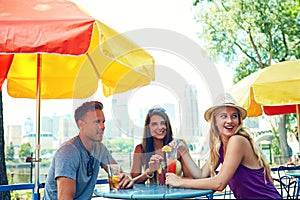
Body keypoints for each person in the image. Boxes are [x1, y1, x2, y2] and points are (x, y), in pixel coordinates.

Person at [165, 93, 281, 199]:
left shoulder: (238, 140)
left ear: (239, 121)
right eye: (223, 116)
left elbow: (219, 184)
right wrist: (184, 152)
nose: (229, 121)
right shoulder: (219, 146)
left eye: (234, 116)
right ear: (215, 121)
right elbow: (201, 175)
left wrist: (180, 181)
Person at [44, 101, 134, 200]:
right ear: (81, 125)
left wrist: (126, 178)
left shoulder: (100, 149)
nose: (102, 127)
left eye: (103, 122)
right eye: (97, 122)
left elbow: (118, 173)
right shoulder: (68, 152)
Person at [130, 106, 192, 184]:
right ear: (148, 128)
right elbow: (134, 180)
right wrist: (150, 171)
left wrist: (177, 180)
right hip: (152, 195)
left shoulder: (178, 145)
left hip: (176, 193)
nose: (160, 127)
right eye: (154, 124)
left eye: (163, 123)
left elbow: (190, 177)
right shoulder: (140, 149)